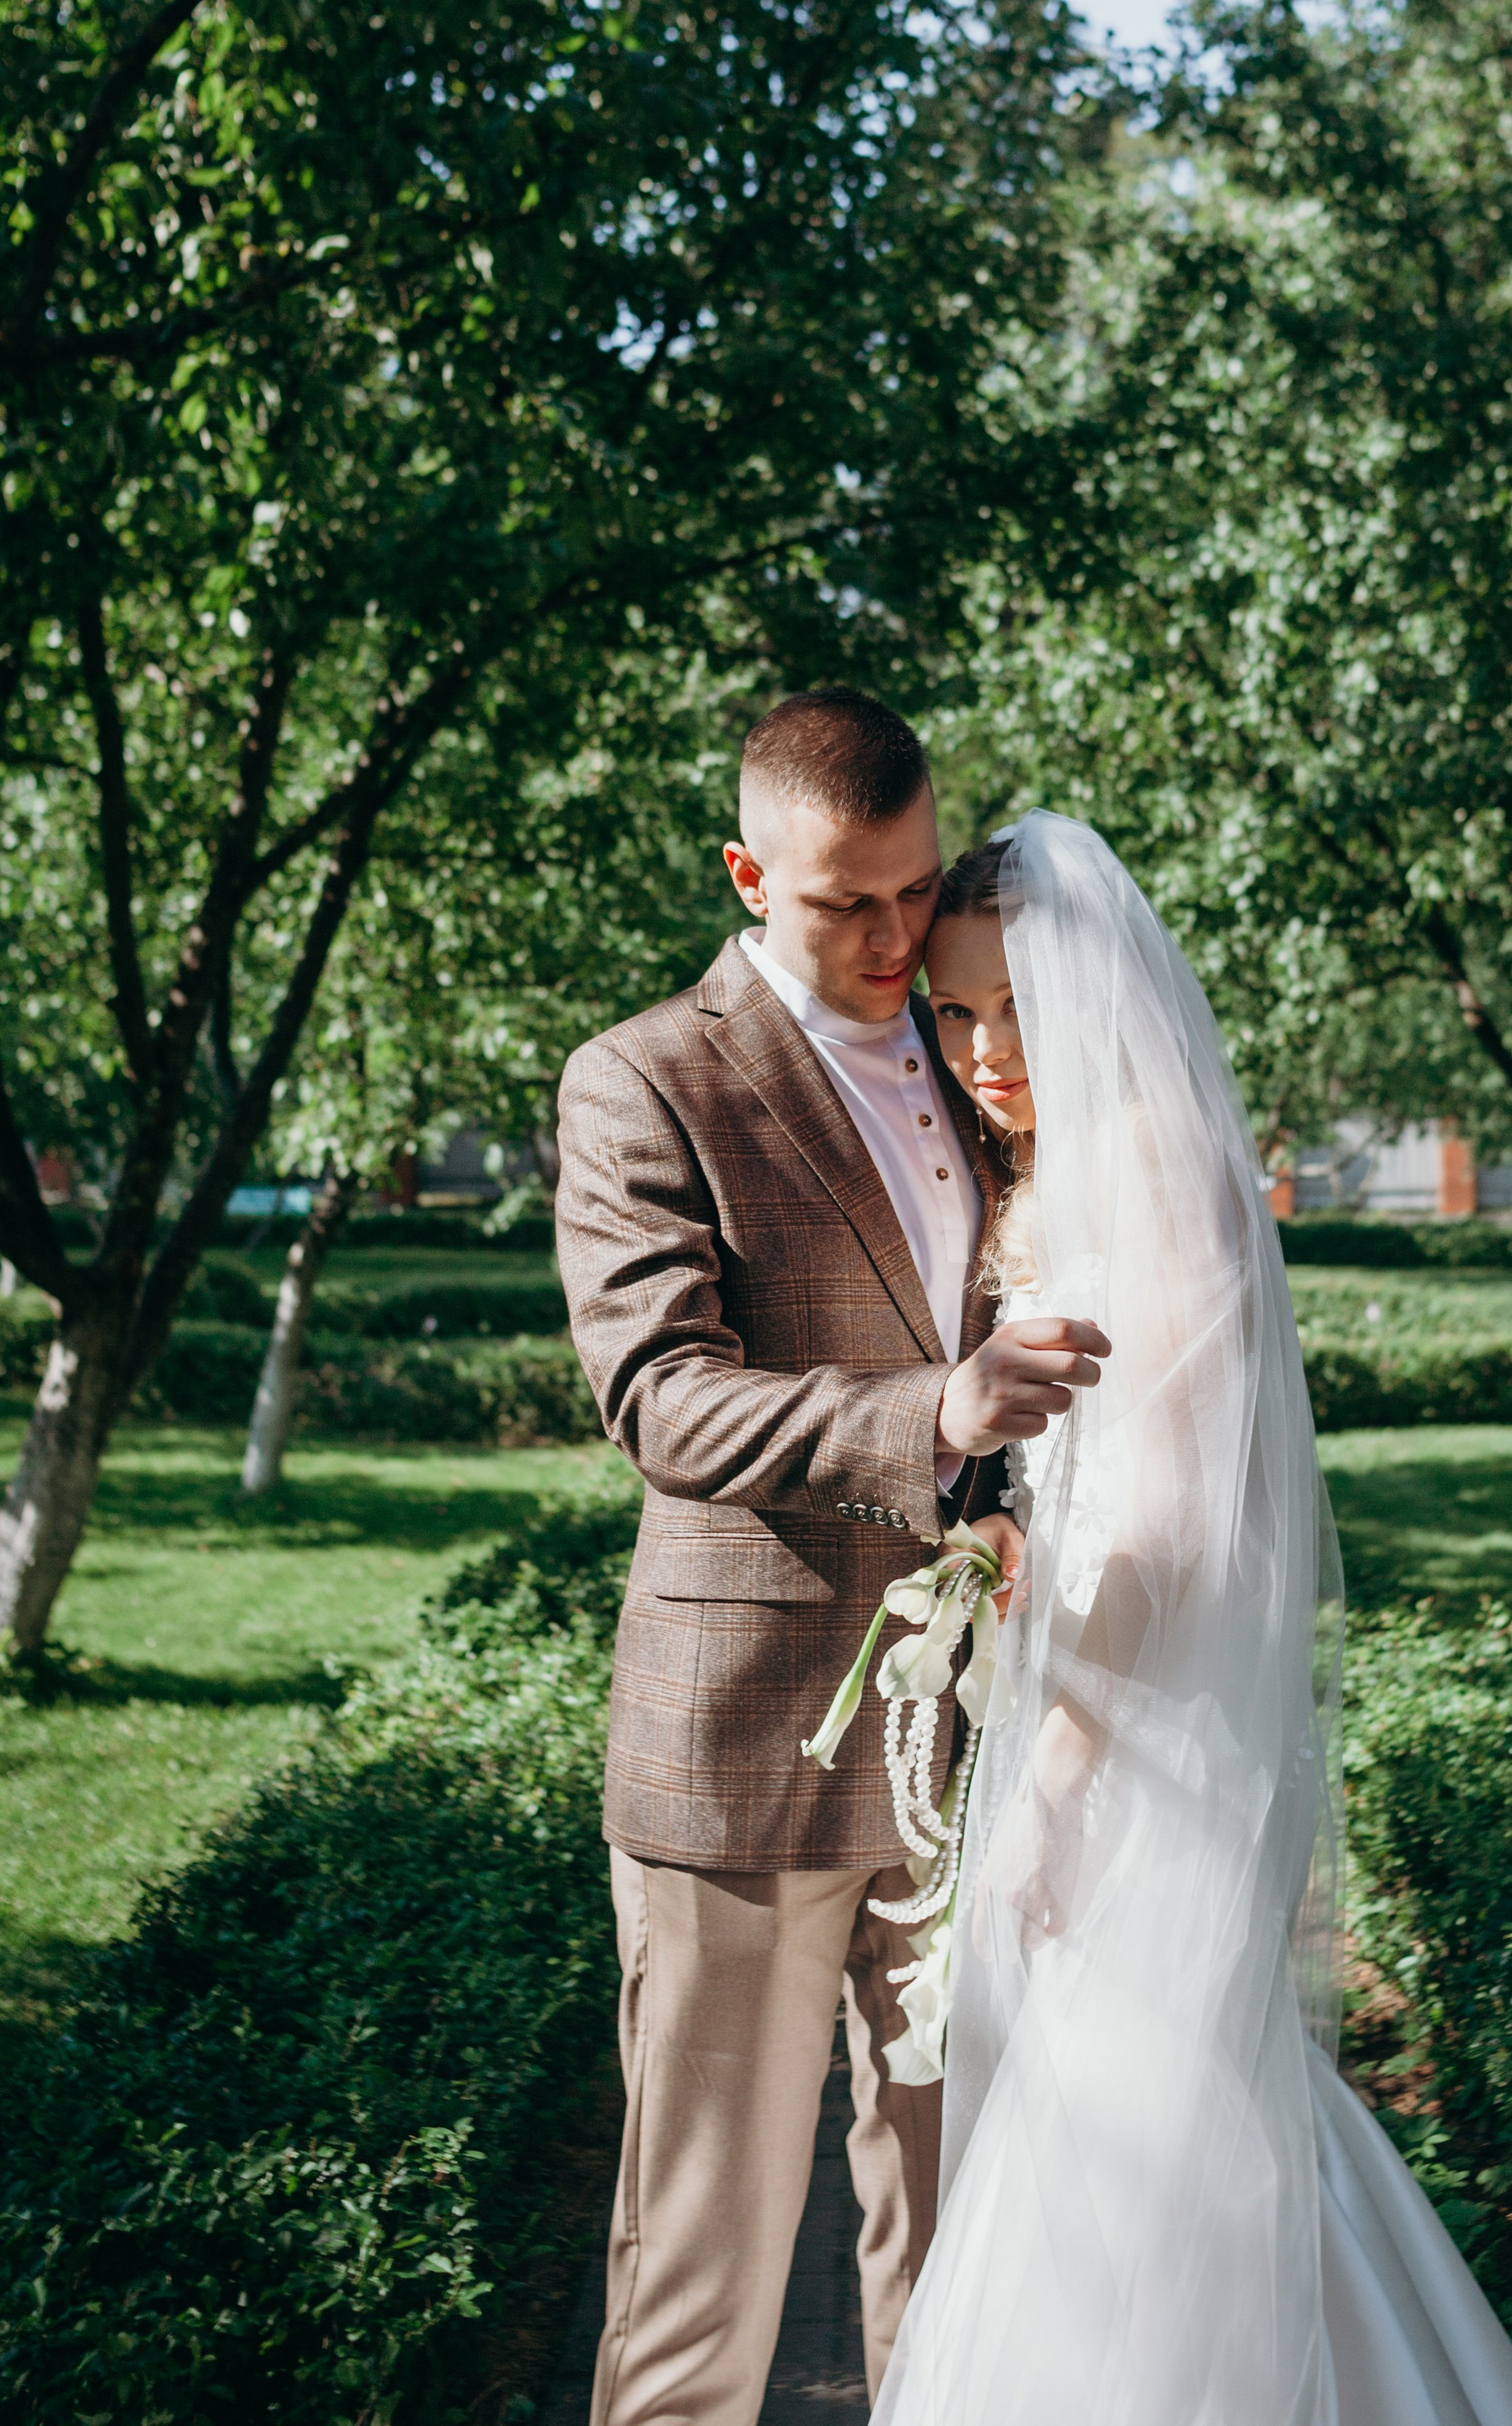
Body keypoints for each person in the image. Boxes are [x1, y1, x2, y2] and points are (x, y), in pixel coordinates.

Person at [873, 811, 1512, 2426]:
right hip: (1093, 1696)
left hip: (1144, 1744)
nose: (980, 1054)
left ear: (1090, 1007)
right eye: (952, 1014)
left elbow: (1170, 1526)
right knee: (1150, 2144)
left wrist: (1050, 1781)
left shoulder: (1159, 1188)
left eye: (1011, 1015)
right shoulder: (1054, 1181)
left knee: (1146, 2148)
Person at [554, 694, 1105, 2426]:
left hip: (967, 1755)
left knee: (956, 2255)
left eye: (912, 893)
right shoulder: (646, 1078)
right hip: (742, 1756)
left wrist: (1005, 1493)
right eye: (841, 903)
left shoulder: (978, 1042)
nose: (889, 941)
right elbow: (659, 1400)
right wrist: (930, 1416)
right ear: (744, 873)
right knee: (700, 2278)